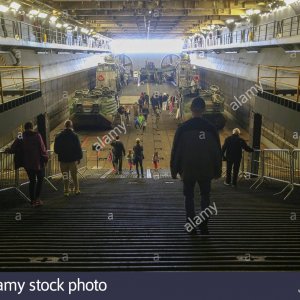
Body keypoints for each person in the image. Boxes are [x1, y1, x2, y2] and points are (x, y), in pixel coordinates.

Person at [170, 97, 222, 235]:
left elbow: (176, 150)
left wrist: (174, 170)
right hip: (206, 168)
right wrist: (218, 170)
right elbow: (217, 151)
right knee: (205, 196)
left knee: (189, 197)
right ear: (204, 110)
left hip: (188, 168)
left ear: (191, 109)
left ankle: (191, 225)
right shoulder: (211, 129)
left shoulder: (182, 128)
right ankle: (204, 226)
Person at [6, 121, 48, 207]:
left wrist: (8, 150)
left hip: (27, 163)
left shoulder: (20, 136)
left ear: (25, 128)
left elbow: (13, 147)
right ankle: (37, 199)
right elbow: (42, 148)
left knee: (32, 181)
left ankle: (32, 201)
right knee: (40, 179)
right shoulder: (37, 135)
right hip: (38, 163)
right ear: (32, 127)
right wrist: (46, 159)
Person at [54, 120, 83, 197]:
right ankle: (76, 189)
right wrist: (79, 157)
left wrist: (61, 153)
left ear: (65, 126)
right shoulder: (75, 136)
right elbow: (78, 148)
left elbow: (56, 149)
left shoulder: (59, 136)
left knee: (65, 176)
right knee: (74, 175)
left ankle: (66, 190)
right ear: (71, 126)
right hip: (72, 160)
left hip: (63, 160)